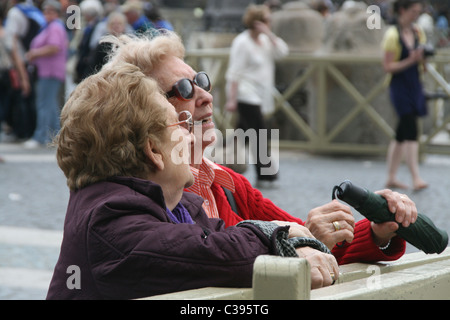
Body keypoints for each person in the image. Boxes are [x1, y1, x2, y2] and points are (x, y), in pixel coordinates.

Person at [106, 32, 418, 267]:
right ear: (144, 115)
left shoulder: (227, 183)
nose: (205, 96)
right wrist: (296, 241)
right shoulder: (136, 201)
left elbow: (314, 245)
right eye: (184, 89)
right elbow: (209, 269)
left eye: (201, 81)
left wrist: (379, 231)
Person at [46, 58, 338, 300]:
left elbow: (221, 241)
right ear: (153, 150)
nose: (189, 135)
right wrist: (278, 236)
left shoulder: (180, 205)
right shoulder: (109, 217)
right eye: (180, 125)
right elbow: (210, 253)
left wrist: (285, 240)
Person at [225, 4, 288, 185]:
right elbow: (234, 72)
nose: (270, 23)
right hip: (246, 93)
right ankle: (266, 173)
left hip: (262, 94)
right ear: (258, 22)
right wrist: (231, 98)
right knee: (259, 132)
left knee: (243, 132)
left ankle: (220, 161)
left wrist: (269, 34)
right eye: (267, 20)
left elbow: (283, 52)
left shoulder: (267, 41)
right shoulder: (242, 42)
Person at [382, 0, 429, 191]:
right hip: (399, 85)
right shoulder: (392, 35)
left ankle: (391, 176)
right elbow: (387, 66)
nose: (416, 15)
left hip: (414, 83)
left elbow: (422, 63)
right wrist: (411, 59)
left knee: (401, 133)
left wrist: (422, 59)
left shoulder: (418, 32)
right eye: (413, 11)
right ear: (402, 10)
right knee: (410, 129)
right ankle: (416, 176)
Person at [23, 0, 68, 148]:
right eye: (46, 11)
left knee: (44, 104)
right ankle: (56, 136)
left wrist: (35, 52)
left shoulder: (55, 27)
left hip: (50, 71)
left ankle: (41, 136)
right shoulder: (49, 26)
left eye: (51, 11)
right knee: (50, 104)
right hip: (47, 70)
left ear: (56, 13)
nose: (47, 14)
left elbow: (54, 47)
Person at [4, 0, 46, 140]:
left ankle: (21, 131)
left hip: (19, 62)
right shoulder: (33, 10)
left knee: (19, 97)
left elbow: (12, 45)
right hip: (33, 61)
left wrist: (21, 75)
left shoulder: (14, 13)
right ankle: (30, 130)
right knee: (31, 99)